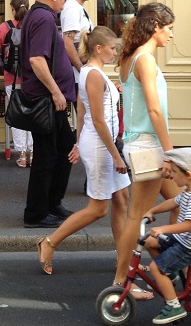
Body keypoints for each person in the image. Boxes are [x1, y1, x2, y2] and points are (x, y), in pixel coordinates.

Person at [36, 26, 130, 274]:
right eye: (112, 48)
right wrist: (116, 154)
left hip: (99, 143)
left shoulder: (89, 72)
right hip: (101, 146)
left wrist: (78, 143)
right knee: (98, 208)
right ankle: (49, 242)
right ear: (99, 48)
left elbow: (82, 111)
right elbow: (96, 119)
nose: (115, 52)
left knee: (122, 199)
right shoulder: (94, 75)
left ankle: (124, 261)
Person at [113, 2, 180, 296]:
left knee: (181, 201)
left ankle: (171, 262)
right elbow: (154, 110)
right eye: (169, 28)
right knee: (136, 215)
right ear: (155, 27)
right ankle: (120, 282)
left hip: (140, 143)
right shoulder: (145, 60)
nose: (171, 35)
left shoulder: (133, 56)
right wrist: (170, 152)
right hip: (147, 146)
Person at [21, 0, 76, 229]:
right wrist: (56, 92)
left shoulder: (39, 15)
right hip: (47, 99)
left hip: (50, 99)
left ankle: (52, 203)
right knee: (46, 156)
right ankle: (36, 213)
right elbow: (37, 60)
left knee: (64, 147)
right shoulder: (43, 18)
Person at [142, 148, 191, 325]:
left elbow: (188, 225)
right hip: (184, 241)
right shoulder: (189, 190)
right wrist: (152, 210)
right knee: (150, 242)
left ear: (188, 174)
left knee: (155, 268)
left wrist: (163, 229)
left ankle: (174, 306)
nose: (171, 176)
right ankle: (171, 275)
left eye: (174, 172)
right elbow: (173, 202)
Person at [0, 0, 33, 167]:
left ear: (12, 9)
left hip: (12, 80)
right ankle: (34, 154)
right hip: (34, 79)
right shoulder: (34, 25)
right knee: (33, 115)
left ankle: (22, 156)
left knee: (18, 116)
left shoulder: (4, 27)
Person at [61, 0, 96, 76]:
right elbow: (67, 42)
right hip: (76, 75)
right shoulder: (72, 8)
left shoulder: (77, 7)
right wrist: (81, 70)